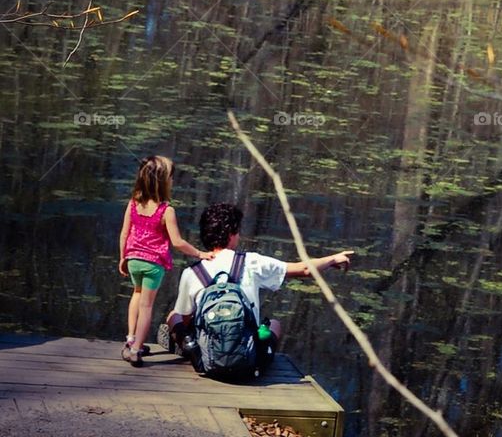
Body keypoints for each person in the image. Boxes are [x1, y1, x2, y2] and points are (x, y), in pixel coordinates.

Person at [165, 201, 353, 369]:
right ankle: (262, 353)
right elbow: (304, 269)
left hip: (209, 361)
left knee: (174, 316)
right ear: (231, 234)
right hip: (248, 359)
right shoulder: (251, 261)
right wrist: (332, 259)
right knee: (274, 324)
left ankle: (190, 349)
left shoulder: (192, 272)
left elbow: (187, 318)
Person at [118, 155, 214, 367]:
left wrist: (123, 257)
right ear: (163, 182)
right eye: (171, 176)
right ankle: (135, 351)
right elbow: (177, 242)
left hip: (133, 259)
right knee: (147, 306)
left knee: (136, 295)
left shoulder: (133, 203)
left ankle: (131, 340)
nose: (172, 180)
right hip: (153, 265)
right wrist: (199, 254)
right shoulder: (165, 210)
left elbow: (124, 233)